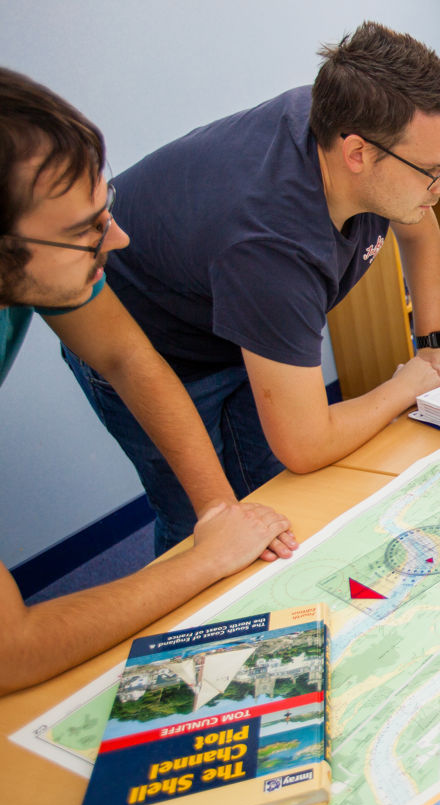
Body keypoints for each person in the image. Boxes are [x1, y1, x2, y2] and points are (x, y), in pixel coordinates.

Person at [64, 22, 440, 554]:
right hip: (147, 338)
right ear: (358, 155)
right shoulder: (272, 246)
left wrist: (432, 343)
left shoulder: (353, 120)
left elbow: (419, 235)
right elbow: (306, 443)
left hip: (230, 318)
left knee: (273, 497)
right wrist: (407, 384)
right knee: (203, 525)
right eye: (432, 173)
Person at [0, 69, 294, 694]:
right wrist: (205, 558)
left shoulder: (42, 258)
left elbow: (127, 355)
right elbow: (10, 651)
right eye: (87, 231)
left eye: (105, 211)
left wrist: (216, 511)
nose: (119, 239)